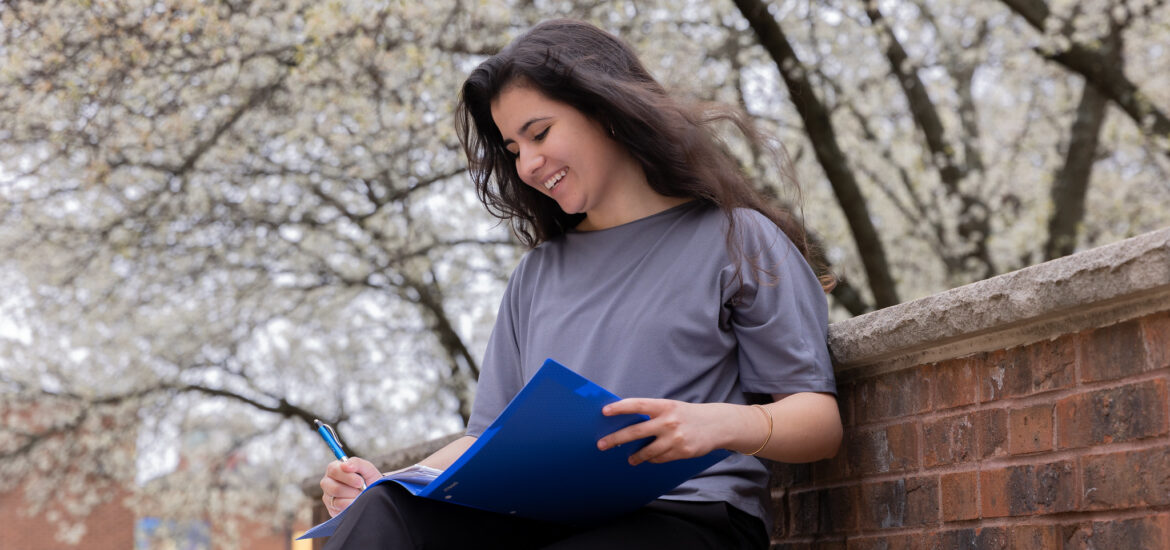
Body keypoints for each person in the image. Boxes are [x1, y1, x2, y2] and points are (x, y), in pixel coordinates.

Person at [318, 18, 842, 549]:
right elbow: (483, 441)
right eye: (514, 148)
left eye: (540, 133)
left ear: (606, 110)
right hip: (542, 517)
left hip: (688, 518)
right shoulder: (536, 274)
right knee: (384, 511)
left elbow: (819, 422)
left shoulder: (736, 238)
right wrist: (382, 481)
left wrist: (719, 424)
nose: (529, 164)